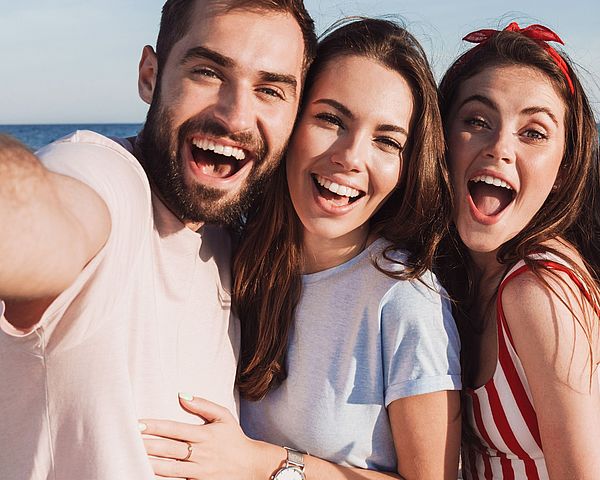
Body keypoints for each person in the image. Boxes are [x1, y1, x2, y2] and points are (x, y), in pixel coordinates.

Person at [0, 1, 316, 478]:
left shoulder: (228, 242)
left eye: (270, 89)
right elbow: (42, 220)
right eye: (209, 72)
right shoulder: (105, 179)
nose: (235, 116)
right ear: (150, 75)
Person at [137, 18, 462, 480]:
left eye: (386, 141)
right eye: (331, 120)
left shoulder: (405, 297)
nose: (351, 157)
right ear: (289, 121)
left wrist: (263, 465)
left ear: (407, 167)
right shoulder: (232, 252)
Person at [437, 22, 600, 479]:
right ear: (441, 141)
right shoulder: (455, 279)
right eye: (476, 121)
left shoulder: (539, 290)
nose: (500, 149)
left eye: (533, 133)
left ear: (564, 170)